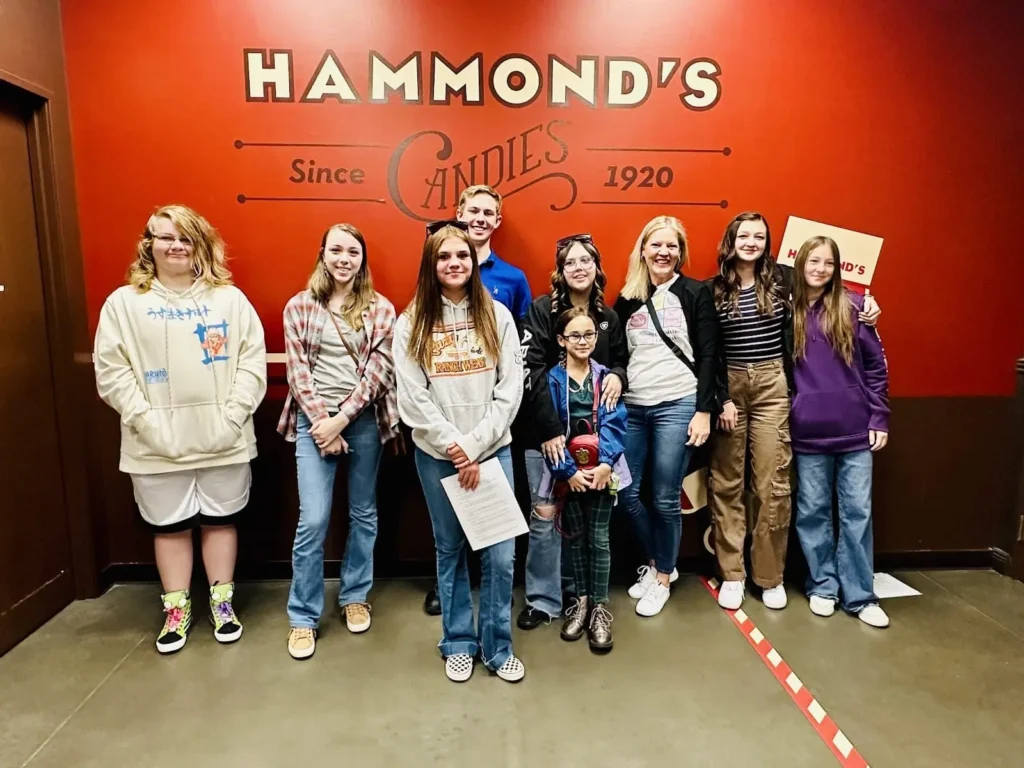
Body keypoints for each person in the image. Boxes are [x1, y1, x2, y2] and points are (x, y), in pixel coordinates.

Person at [94, 204, 267, 654]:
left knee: (219, 519)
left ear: (200, 244)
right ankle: (176, 609)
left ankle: (221, 601)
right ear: (147, 243)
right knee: (168, 526)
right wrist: (146, 422)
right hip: (155, 443)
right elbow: (112, 372)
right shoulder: (125, 303)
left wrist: (231, 417)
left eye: (184, 238)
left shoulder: (228, 300)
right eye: (164, 237)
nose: (175, 246)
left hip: (223, 439)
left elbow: (252, 363)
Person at [709, 213, 881, 611]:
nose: (750, 242)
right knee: (727, 483)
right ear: (730, 240)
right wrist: (720, 398)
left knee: (774, 485)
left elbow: (829, 284)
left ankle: (769, 576)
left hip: (774, 386)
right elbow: (709, 350)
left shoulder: (783, 279)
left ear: (768, 243)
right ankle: (732, 573)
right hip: (730, 386)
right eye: (743, 235)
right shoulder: (714, 289)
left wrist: (868, 307)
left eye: (759, 236)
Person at [394, 221, 526, 682]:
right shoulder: (411, 321)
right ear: (432, 265)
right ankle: (457, 641)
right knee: (449, 549)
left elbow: (510, 392)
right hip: (437, 456)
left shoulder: (498, 316)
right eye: (445, 257)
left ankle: (495, 645)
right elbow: (412, 397)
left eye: (463, 256)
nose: (454, 264)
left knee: (501, 555)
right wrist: (454, 447)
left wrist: (473, 447)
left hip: (492, 451)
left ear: (474, 263)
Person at [277, 223, 400, 660]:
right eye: (336, 250)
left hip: (364, 421)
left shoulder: (381, 309)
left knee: (363, 512)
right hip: (314, 424)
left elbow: (381, 371)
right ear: (322, 254)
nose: (344, 259)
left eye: (352, 251)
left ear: (362, 259)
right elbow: (296, 372)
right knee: (313, 520)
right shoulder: (299, 307)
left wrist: (344, 417)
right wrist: (322, 424)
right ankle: (303, 616)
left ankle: (354, 596)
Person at [422, 184, 532, 616]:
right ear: (459, 215)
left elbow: (521, 349)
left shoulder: (512, 280)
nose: (481, 218)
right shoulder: (428, 292)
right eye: (474, 211)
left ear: (497, 222)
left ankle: (494, 623)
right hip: (444, 431)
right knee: (448, 530)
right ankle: (452, 597)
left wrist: (482, 435)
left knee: (495, 532)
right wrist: (455, 441)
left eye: (489, 212)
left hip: (493, 425)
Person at [516, 234, 628, 630]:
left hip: (596, 442)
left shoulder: (608, 317)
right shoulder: (542, 310)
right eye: (570, 262)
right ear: (560, 272)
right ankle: (543, 600)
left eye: (586, 261)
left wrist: (617, 374)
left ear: (596, 267)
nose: (579, 268)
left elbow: (619, 363)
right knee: (545, 515)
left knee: (582, 524)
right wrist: (548, 432)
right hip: (544, 435)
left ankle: (576, 595)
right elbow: (529, 370)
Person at [613, 215, 717, 617]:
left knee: (664, 495)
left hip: (678, 404)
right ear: (643, 250)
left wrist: (704, 410)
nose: (663, 252)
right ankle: (659, 563)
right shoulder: (627, 299)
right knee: (625, 490)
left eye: (672, 246)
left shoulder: (694, 293)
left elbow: (709, 355)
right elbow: (620, 355)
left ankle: (661, 577)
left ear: (681, 253)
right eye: (656, 244)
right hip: (635, 407)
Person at [789, 235, 891, 627]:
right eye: (813, 261)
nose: (820, 269)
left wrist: (878, 418)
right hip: (808, 432)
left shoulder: (855, 308)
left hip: (854, 430)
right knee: (812, 512)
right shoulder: (788, 311)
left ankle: (861, 596)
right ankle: (823, 586)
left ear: (837, 269)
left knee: (857, 513)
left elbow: (877, 367)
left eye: (828, 263)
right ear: (800, 265)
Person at [543, 306, 629, 652]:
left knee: (600, 538)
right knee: (575, 538)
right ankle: (580, 603)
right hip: (570, 474)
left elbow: (615, 422)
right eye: (575, 335)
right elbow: (549, 430)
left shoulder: (605, 377)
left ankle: (600, 608)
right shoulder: (551, 380)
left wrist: (606, 462)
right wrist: (568, 471)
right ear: (562, 340)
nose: (583, 341)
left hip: (603, 473)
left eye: (589, 334)